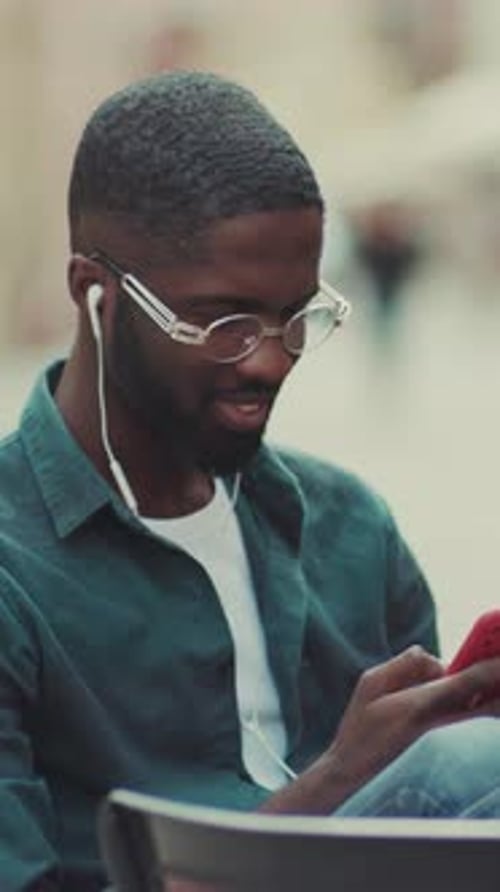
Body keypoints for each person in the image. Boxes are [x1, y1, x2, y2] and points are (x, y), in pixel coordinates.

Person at [1, 70, 500, 892]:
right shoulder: (15, 572)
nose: (270, 360)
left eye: (297, 316)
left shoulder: (351, 532)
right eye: (224, 322)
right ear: (96, 296)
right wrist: (339, 780)